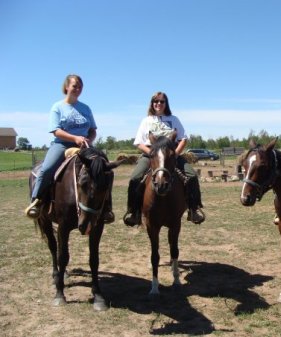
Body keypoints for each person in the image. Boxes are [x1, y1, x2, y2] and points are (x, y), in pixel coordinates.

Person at [25, 74, 115, 223]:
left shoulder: (85, 108)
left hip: (84, 145)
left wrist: (89, 140)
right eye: (74, 86)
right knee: (47, 169)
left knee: (107, 169)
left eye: (80, 86)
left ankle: (106, 208)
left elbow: (93, 130)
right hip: (62, 144)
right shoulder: (58, 107)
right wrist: (74, 138)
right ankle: (37, 201)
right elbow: (56, 131)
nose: (77, 89)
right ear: (67, 87)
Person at [123, 91, 205, 226]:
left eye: (162, 101)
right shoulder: (146, 120)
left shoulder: (174, 119)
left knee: (192, 175)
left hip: (172, 155)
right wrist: (152, 154)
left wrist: (176, 153)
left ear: (166, 104)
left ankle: (193, 209)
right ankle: (134, 212)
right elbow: (138, 143)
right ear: (152, 103)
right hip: (150, 155)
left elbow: (183, 139)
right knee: (135, 178)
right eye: (156, 101)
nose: (159, 104)